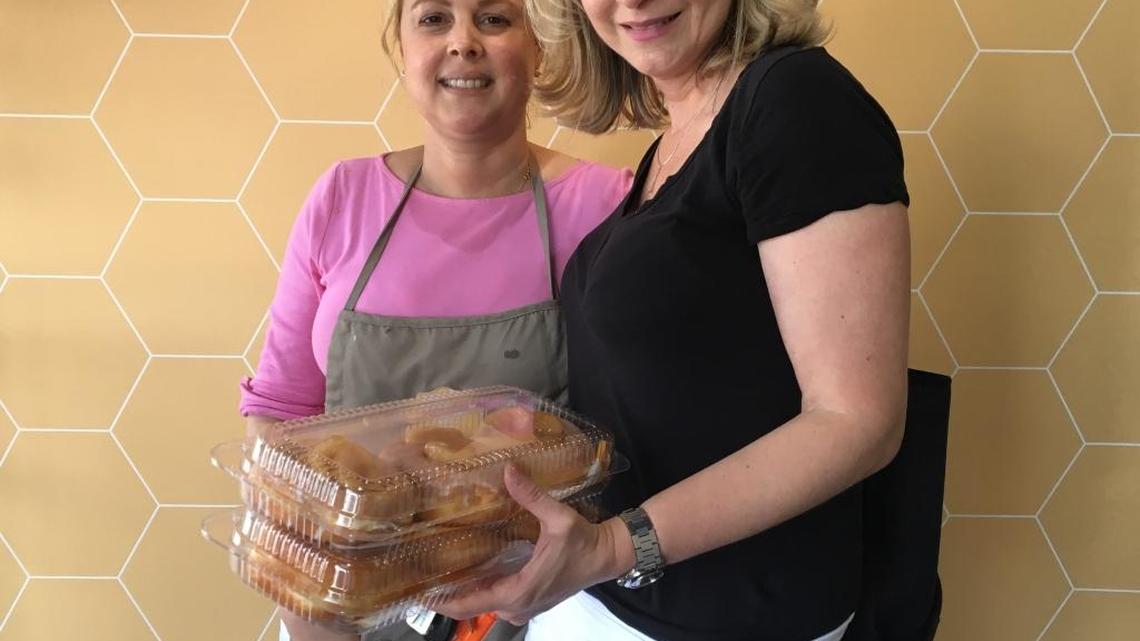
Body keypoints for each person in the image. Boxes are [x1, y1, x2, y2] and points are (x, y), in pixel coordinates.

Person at [436, 0, 912, 640]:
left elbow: (858, 421)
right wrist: (539, 439)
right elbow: (702, 384)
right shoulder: (674, 140)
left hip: (731, 618)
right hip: (612, 600)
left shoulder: (796, 99)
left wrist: (612, 548)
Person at [237, 0, 632, 638]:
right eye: (433, 18)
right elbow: (281, 411)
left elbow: (628, 430)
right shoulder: (343, 197)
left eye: (495, 19)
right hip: (349, 598)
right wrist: (307, 588)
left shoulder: (604, 206)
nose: (463, 42)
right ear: (402, 48)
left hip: (538, 604)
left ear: (539, 47)